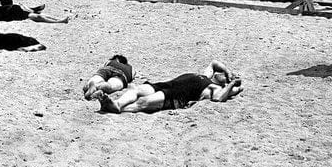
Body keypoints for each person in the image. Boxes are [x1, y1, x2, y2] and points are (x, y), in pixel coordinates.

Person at [97, 61, 242, 113]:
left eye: (223, 74)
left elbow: (220, 98)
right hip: (168, 84)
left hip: (176, 96)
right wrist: (228, 71)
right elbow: (214, 62)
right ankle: (117, 104)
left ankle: (118, 109)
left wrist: (232, 84)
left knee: (143, 102)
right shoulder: (206, 75)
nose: (220, 72)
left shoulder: (215, 88)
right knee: (136, 89)